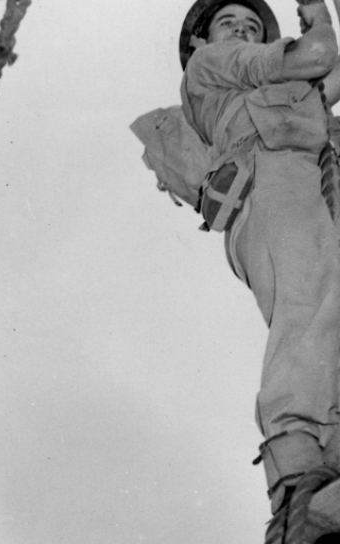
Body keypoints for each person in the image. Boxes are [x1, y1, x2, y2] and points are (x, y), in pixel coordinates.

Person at [178, 0, 340, 538]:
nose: (243, 31)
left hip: (307, 180)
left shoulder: (281, 88)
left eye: (252, 26)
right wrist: (316, 13)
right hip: (270, 179)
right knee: (308, 306)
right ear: (202, 42)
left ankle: (331, 460)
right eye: (230, 24)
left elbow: (327, 77)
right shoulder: (212, 66)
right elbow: (318, 54)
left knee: (331, 312)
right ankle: (296, 475)